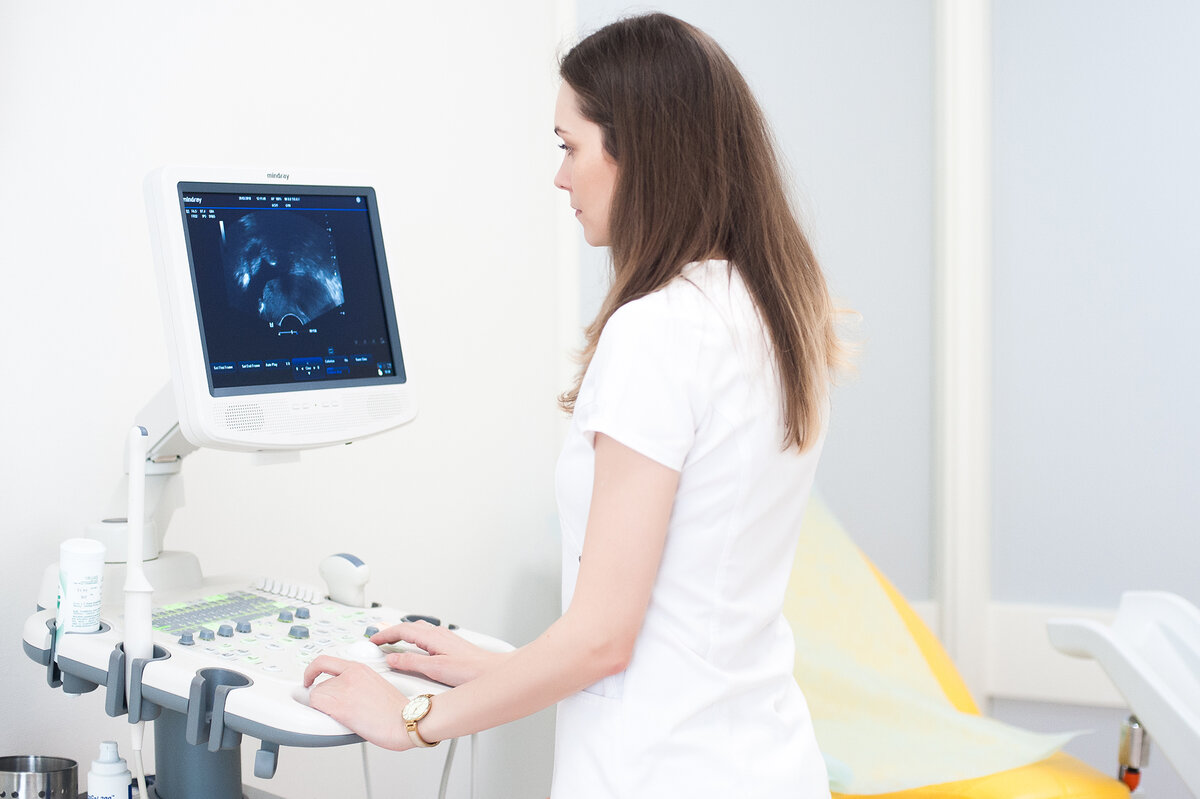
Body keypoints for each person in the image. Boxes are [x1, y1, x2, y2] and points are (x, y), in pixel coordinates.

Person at [304, 12, 843, 797]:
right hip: (764, 762)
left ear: (641, 154)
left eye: (570, 146)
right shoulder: (770, 313)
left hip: (663, 773)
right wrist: (501, 666)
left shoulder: (660, 330)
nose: (560, 177)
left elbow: (601, 640)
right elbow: (681, 610)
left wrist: (411, 716)